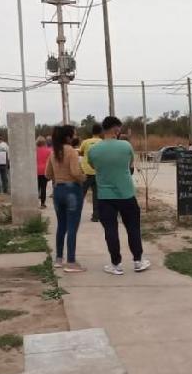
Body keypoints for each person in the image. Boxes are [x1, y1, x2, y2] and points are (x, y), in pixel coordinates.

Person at [88, 116, 151, 275]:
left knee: (110, 230)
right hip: (126, 194)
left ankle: (116, 264)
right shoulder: (126, 146)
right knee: (133, 228)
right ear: (116, 129)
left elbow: (92, 166)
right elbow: (130, 165)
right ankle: (138, 261)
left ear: (103, 129)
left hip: (105, 196)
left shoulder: (93, 150)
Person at [46, 125, 87, 272]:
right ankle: (71, 261)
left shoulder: (53, 152)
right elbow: (75, 172)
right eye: (74, 134)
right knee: (72, 227)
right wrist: (83, 178)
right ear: (68, 137)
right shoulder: (71, 151)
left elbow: (47, 174)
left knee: (61, 225)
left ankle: (58, 258)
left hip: (58, 190)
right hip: (72, 190)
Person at [78, 124, 103, 222]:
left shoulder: (85, 142)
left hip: (86, 172)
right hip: (98, 172)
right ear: (100, 132)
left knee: (81, 194)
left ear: (92, 132)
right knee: (96, 195)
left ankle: (76, 215)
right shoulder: (102, 142)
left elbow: (81, 152)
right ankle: (96, 216)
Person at [36, 136, 51, 209]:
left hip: (36, 171)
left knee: (36, 188)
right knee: (43, 188)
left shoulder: (34, 150)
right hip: (45, 170)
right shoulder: (48, 151)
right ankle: (42, 203)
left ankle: (35, 203)